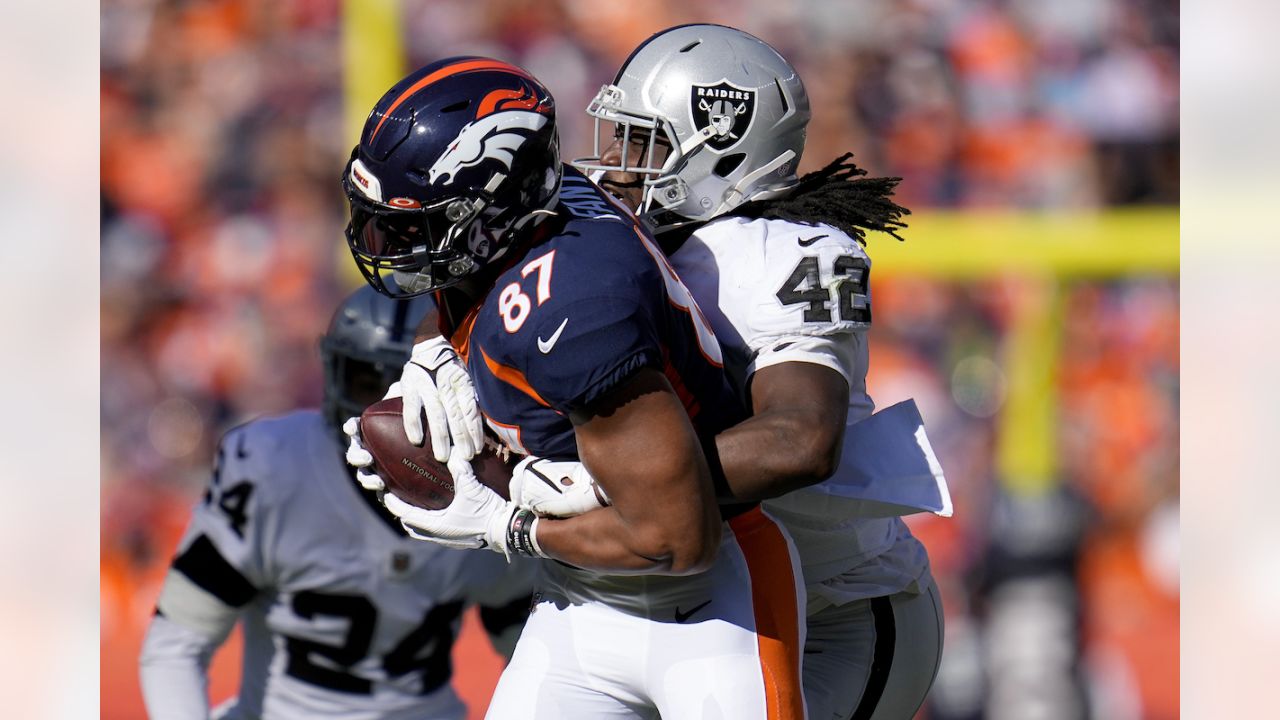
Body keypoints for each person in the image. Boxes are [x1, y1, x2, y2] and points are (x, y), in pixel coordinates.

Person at [340, 57, 807, 719]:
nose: (381, 241)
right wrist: (432, 350)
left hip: (709, 606)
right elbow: (471, 279)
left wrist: (507, 525)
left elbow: (677, 538)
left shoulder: (573, 309)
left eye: (411, 225)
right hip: (581, 602)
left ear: (489, 212)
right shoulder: (526, 216)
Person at [567, 24, 948, 720]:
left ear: (720, 141)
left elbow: (800, 439)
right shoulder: (614, 242)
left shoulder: (784, 252)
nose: (615, 162)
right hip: (685, 600)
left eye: (642, 141)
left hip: (833, 617)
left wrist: (592, 485)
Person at [138, 284, 535, 720]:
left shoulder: (490, 491)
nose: (384, 412)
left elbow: (534, 658)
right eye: (368, 381)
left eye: (405, 392)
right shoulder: (274, 468)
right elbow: (176, 644)